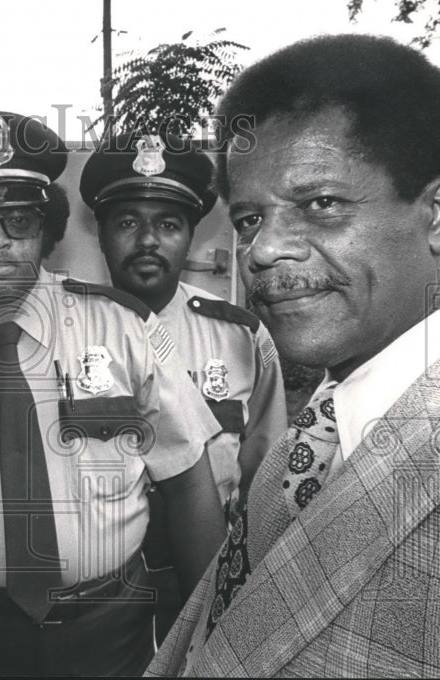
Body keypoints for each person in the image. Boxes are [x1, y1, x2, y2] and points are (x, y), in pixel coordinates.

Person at [148, 34, 440, 678]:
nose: (262, 251)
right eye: (249, 219)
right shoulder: (316, 431)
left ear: (439, 213)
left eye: (321, 204)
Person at [0, 112, 227, 676]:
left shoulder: (123, 326)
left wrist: (213, 630)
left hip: (116, 625)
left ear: (48, 232)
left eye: (19, 221)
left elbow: (190, 483)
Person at [79, 135, 286, 642]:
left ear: (190, 236)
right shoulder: (63, 335)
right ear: (101, 233)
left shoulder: (239, 336)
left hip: (211, 567)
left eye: (168, 225)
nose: (148, 241)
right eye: (128, 222)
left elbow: (267, 464)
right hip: (103, 592)